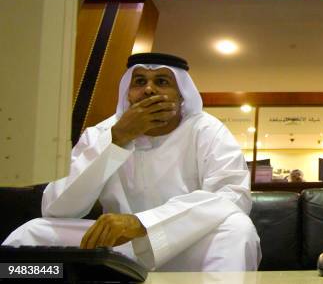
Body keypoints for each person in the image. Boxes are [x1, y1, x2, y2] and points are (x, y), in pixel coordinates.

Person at [3, 53, 261, 272]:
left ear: (181, 95)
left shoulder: (206, 130)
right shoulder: (102, 133)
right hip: (115, 247)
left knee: (237, 229)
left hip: (185, 243)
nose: (148, 89)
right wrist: (117, 141)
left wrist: (143, 224)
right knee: (34, 232)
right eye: (139, 82)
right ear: (128, 93)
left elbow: (232, 195)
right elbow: (57, 209)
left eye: (161, 81)